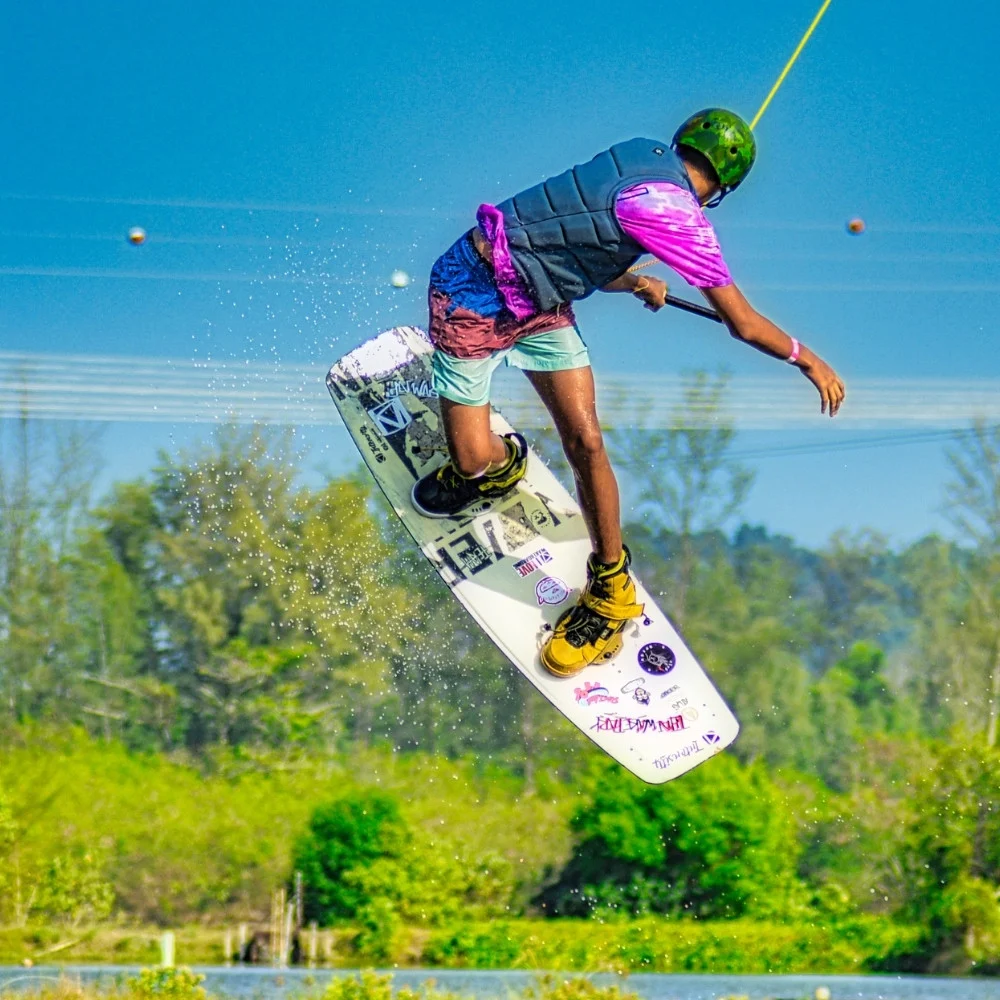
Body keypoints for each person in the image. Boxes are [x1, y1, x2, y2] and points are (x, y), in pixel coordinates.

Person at [410, 108, 846, 678]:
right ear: (726, 188)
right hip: (473, 294)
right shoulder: (678, 217)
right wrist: (808, 360)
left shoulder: (638, 152)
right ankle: (496, 467)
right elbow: (742, 322)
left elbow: (574, 242)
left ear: (681, 142)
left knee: (586, 440)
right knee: (471, 460)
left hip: (540, 306)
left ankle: (610, 587)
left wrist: (637, 278)